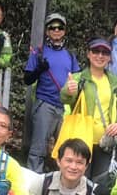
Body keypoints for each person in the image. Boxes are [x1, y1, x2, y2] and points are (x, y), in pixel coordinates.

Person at [60, 37, 117, 179]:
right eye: (96, 51)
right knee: (79, 181)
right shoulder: (78, 78)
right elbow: (66, 99)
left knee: (99, 184)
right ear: (88, 54)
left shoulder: (114, 81)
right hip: (81, 141)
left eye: (105, 53)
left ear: (109, 57)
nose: (100, 56)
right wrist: (68, 91)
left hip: (105, 142)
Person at [24, 13, 81, 172]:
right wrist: (39, 69)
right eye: (52, 28)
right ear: (47, 31)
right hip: (45, 104)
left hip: (65, 108)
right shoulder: (39, 52)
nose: (56, 30)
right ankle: (33, 185)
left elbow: (77, 80)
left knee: (64, 150)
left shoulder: (70, 56)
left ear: (64, 31)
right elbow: (27, 79)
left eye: (60, 27)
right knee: (38, 148)